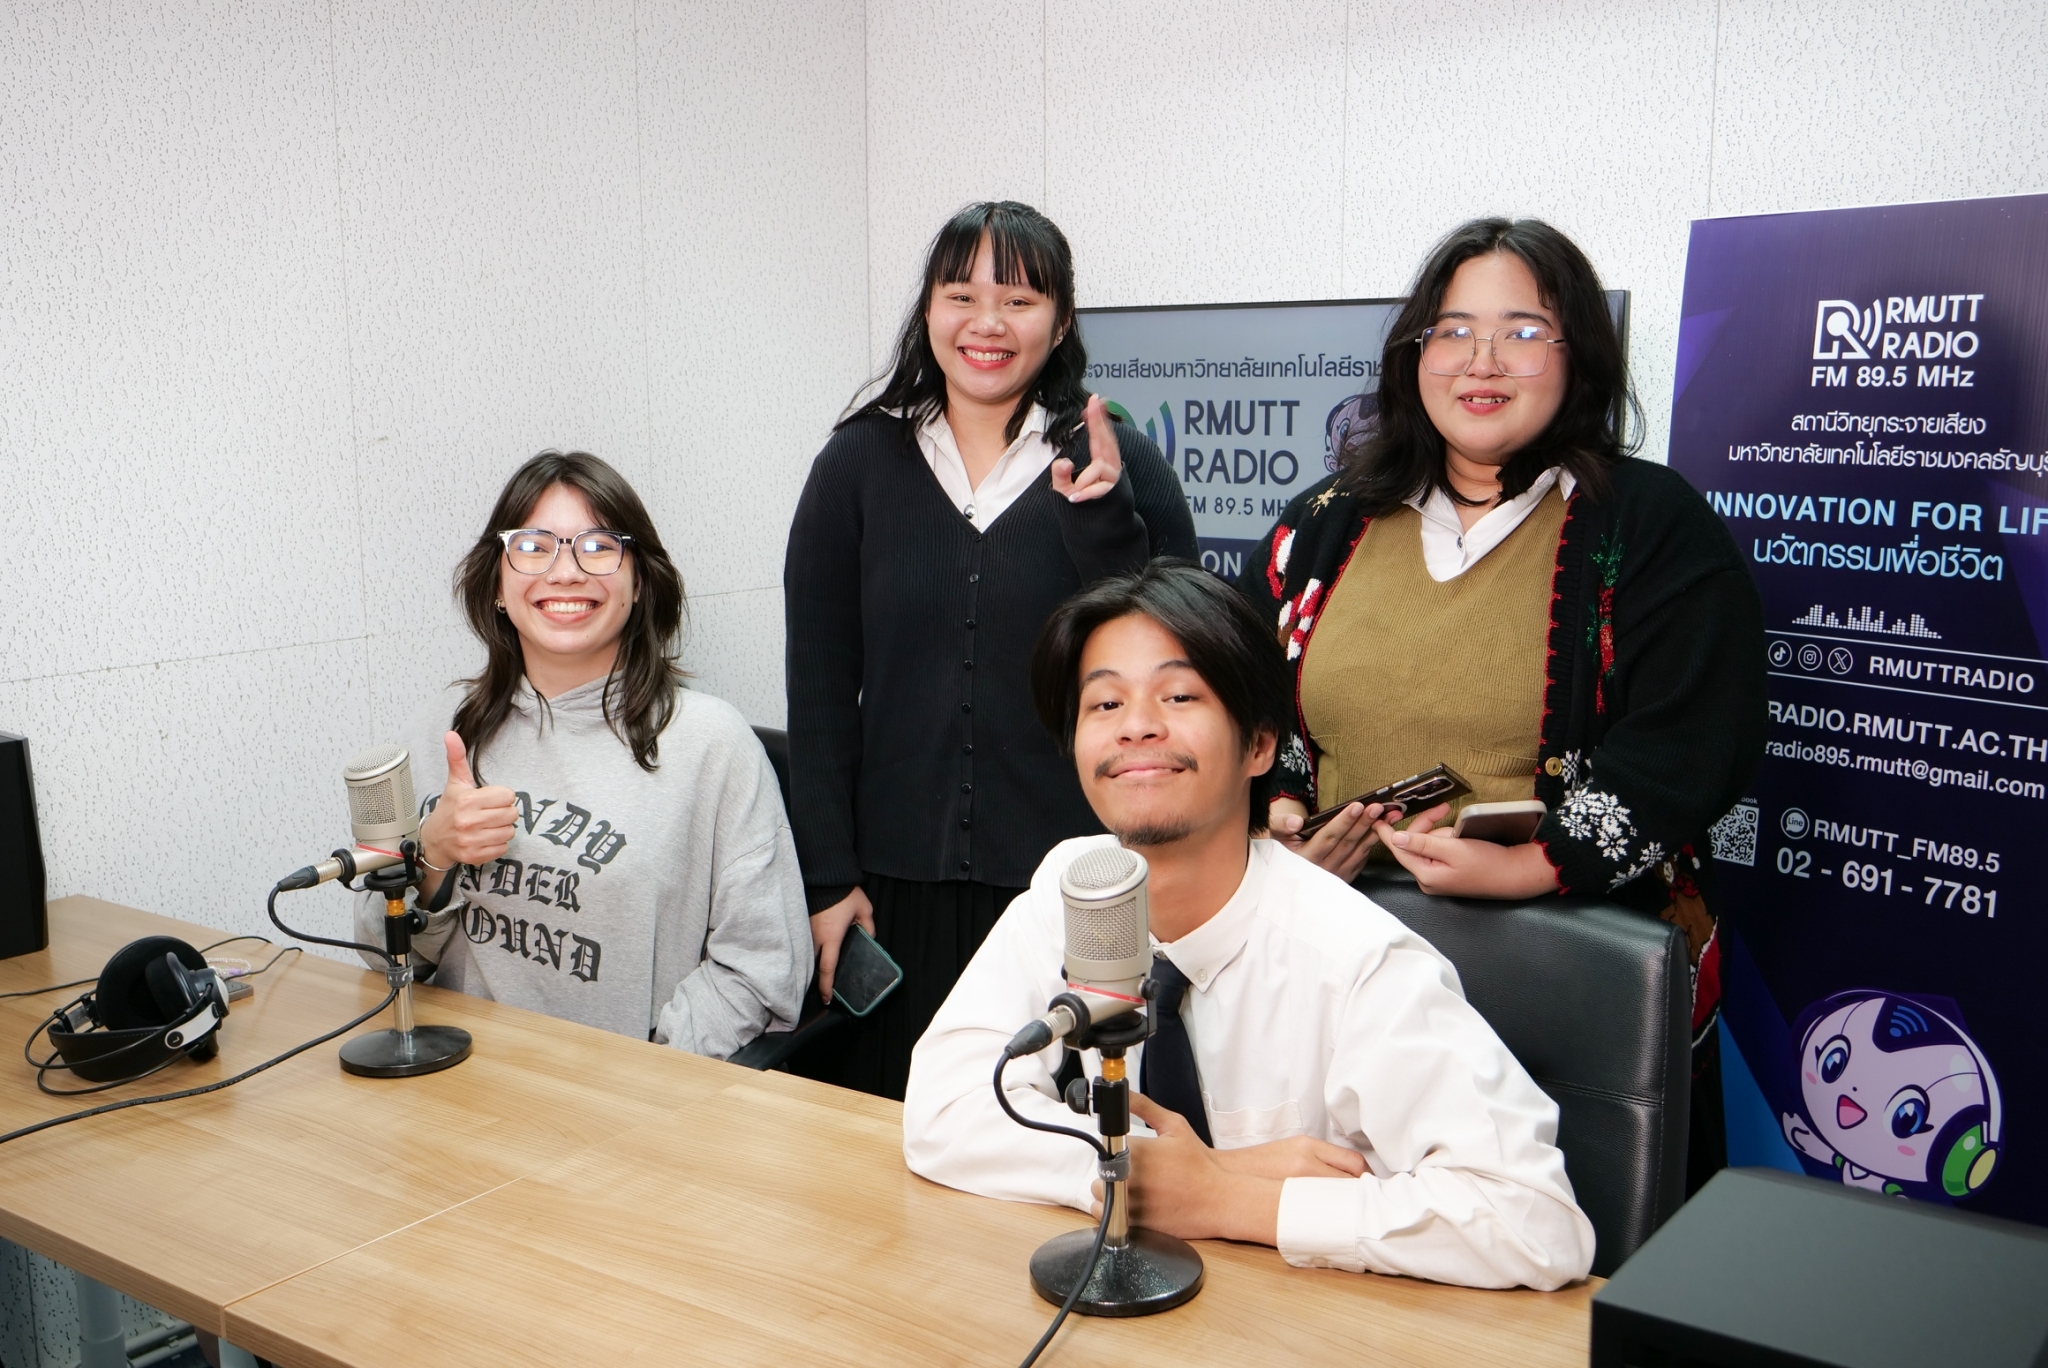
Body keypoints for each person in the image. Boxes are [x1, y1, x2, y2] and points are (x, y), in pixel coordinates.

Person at [1237, 218, 1766, 1189]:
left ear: (1577, 354)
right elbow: (1247, 702)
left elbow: (1701, 734)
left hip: (1568, 989)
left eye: (1522, 330)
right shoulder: (1323, 522)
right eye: (1452, 331)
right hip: (1346, 966)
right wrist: (1275, 824)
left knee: (1553, 1245)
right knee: (1336, 1235)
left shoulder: (1649, 523)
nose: (1481, 360)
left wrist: (1531, 865)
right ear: (1414, 355)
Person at [903, 561, 1594, 1291]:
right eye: (1104, 703)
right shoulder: (1078, 888)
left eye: (1178, 695)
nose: (1137, 725)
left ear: (1260, 745)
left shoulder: (1356, 958)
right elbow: (946, 1109)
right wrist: (1164, 1175)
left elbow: (1537, 1223)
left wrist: (1229, 1200)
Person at [784, 202, 1198, 1099]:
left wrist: (1103, 525)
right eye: (962, 295)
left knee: (1061, 1130)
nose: (988, 322)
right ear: (929, 309)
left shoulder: (1119, 463)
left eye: (1018, 299)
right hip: (890, 895)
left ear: (1062, 320)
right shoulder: (856, 465)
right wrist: (828, 880)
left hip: (1074, 890)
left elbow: (1178, 674)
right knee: (892, 1128)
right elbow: (817, 693)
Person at [354, 450, 810, 1058]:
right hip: (460, 1081)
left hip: (629, 1094)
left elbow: (763, 969)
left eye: (598, 547)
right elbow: (377, 957)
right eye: (533, 547)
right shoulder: (446, 728)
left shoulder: (712, 744)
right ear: (497, 584)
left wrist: (645, 1072)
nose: (565, 573)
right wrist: (433, 858)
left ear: (639, 582)